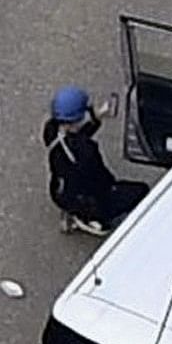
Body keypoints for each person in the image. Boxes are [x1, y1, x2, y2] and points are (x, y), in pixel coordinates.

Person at [44, 89, 146, 235]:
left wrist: (96, 118)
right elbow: (100, 180)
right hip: (84, 199)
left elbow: (75, 136)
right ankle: (90, 220)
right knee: (140, 191)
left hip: (59, 189)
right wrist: (112, 188)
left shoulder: (51, 131)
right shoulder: (86, 151)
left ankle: (73, 210)